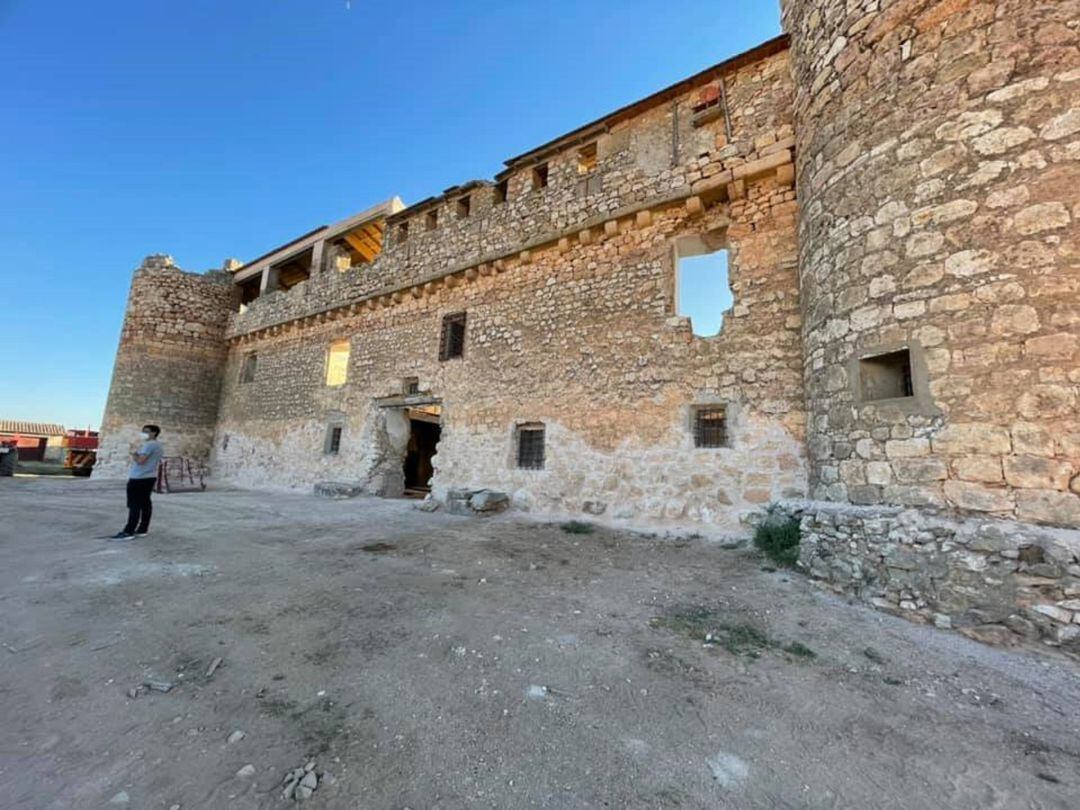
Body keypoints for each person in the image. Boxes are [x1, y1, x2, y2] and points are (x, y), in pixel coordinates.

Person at [110, 424, 164, 540]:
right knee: (145, 504)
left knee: (134, 505)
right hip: (149, 477)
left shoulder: (149, 445)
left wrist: (134, 453)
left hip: (139, 478)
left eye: (146, 431)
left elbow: (140, 460)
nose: (143, 433)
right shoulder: (158, 445)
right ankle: (142, 529)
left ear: (154, 433)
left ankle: (129, 531)